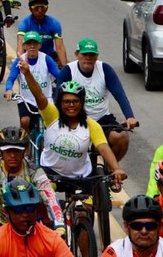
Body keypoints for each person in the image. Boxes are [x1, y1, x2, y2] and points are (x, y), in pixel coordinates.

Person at [19, 56, 127, 185]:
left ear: (82, 103)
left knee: (91, 202)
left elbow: (103, 148)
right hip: (50, 174)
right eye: (66, 102)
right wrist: (27, 73)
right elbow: (39, 95)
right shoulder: (52, 116)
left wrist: (116, 168)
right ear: (60, 103)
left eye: (75, 101)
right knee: (46, 201)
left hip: (81, 177)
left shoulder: (91, 125)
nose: (71, 105)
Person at [0, 127, 64, 242]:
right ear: (1, 152)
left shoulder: (34, 170)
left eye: (17, 151)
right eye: (8, 151)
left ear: (24, 152)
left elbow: (49, 196)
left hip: (27, 222)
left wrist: (59, 224)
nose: (12, 156)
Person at [58, 38, 137, 161]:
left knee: (122, 138)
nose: (88, 58)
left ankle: (109, 170)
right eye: (85, 54)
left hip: (102, 118)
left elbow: (120, 94)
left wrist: (129, 116)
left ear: (97, 56)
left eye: (92, 55)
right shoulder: (68, 71)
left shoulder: (105, 69)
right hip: (76, 118)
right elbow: (58, 98)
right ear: (77, 55)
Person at [0, 178, 71, 257]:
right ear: (8, 211)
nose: (25, 214)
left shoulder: (52, 239)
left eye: (30, 208)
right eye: (18, 209)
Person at [4, 31, 59, 131]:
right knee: (25, 121)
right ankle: (26, 145)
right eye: (29, 44)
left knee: (52, 127)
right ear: (24, 46)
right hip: (26, 100)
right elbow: (11, 78)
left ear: (40, 45)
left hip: (45, 99)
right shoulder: (19, 61)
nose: (32, 46)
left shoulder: (47, 59)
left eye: (35, 43)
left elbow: (59, 76)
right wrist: (9, 89)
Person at [17, 0, 67, 67]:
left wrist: (64, 68)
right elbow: (20, 43)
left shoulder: (54, 23)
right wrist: (21, 62)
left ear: (46, 8)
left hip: (49, 57)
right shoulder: (24, 23)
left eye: (42, 7)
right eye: (36, 7)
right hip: (30, 57)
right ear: (30, 9)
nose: (40, 10)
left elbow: (59, 47)